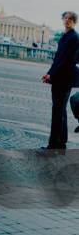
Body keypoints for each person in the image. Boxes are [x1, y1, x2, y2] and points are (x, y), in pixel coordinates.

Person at [42, 11, 79, 149]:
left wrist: (52, 75)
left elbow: (66, 60)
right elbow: (57, 58)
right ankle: (60, 142)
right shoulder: (66, 36)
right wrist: (49, 74)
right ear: (63, 20)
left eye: (71, 19)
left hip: (64, 79)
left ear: (74, 21)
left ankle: (54, 144)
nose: (67, 20)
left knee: (58, 111)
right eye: (66, 18)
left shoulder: (74, 37)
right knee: (59, 110)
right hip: (60, 78)